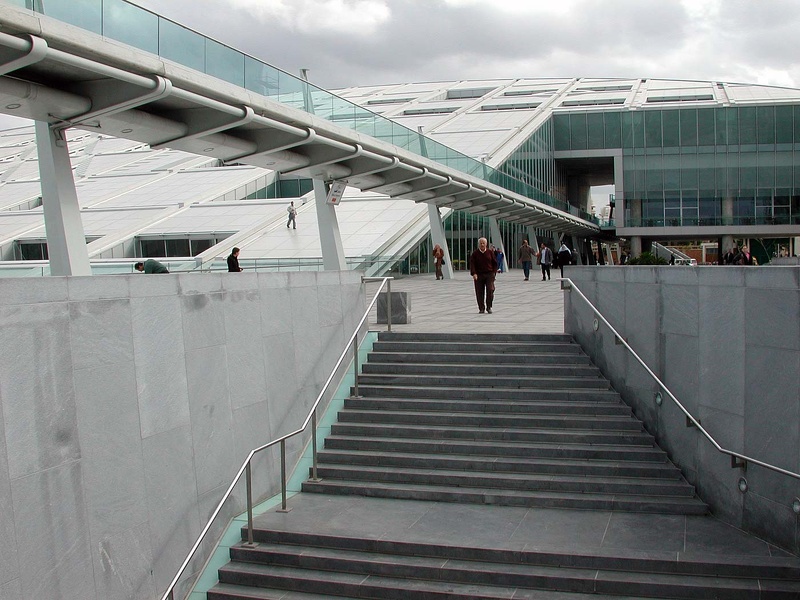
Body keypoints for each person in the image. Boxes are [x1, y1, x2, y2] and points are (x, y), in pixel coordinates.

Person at [469, 237, 498, 314]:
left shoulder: (490, 252)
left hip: (489, 274)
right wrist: (474, 273)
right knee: (479, 292)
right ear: (478, 244)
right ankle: (481, 308)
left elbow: (495, 263)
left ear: (486, 244)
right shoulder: (475, 254)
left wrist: (494, 273)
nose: (482, 244)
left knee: (490, 290)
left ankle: (489, 307)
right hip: (479, 275)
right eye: (480, 243)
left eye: (483, 243)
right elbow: (472, 264)